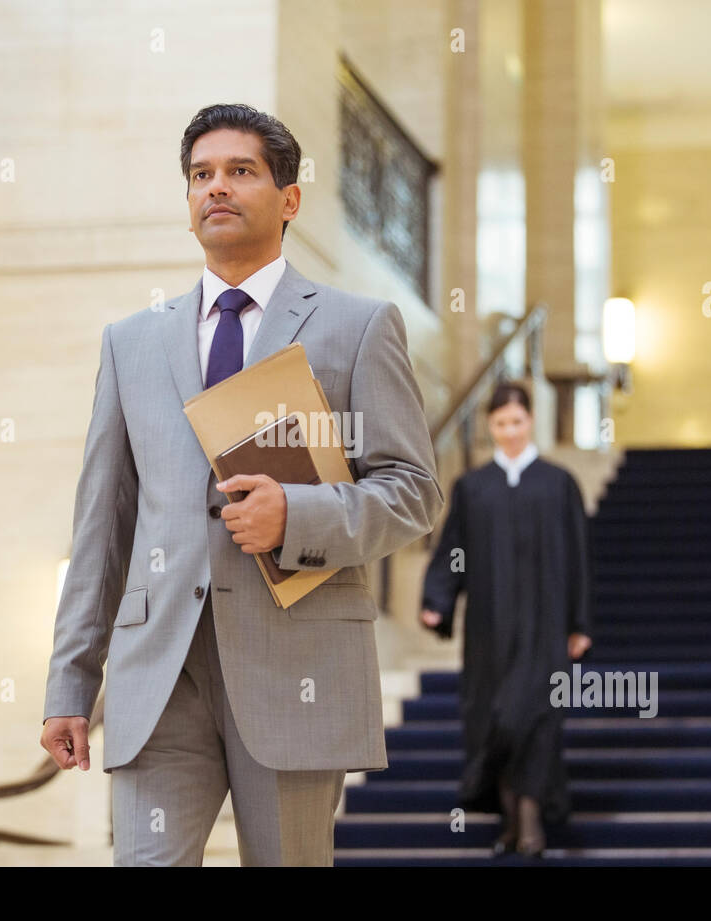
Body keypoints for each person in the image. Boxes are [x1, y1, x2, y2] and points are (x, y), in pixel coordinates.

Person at [40, 103, 443, 866]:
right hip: (159, 674)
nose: (215, 188)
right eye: (201, 175)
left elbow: (415, 490)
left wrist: (301, 513)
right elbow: (102, 524)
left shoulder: (358, 326)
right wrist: (70, 684)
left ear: (289, 199)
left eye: (240, 171)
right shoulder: (131, 343)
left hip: (298, 669)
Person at [419, 382, 592, 857]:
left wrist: (580, 623)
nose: (510, 431)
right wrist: (438, 598)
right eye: (500, 423)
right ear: (490, 427)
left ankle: (530, 822)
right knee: (495, 720)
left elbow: (578, 557)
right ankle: (513, 821)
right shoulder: (473, 488)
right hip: (489, 631)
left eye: (517, 421)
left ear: (530, 420)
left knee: (534, 717)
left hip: (546, 626)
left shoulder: (559, 484)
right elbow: (452, 552)